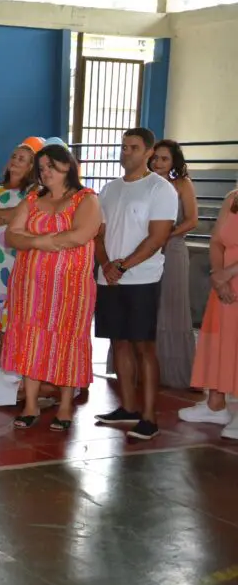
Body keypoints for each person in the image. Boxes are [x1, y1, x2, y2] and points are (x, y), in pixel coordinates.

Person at [1, 142, 101, 430]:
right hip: (30, 288)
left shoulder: (86, 199)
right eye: (41, 168)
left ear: (67, 166)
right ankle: (31, 405)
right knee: (31, 341)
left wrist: (35, 241)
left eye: (50, 166)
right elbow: (12, 236)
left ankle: (66, 406)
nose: (45, 172)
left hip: (70, 288)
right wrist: (43, 242)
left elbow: (81, 235)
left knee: (66, 340)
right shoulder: (32, 199)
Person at [93, 128, 177, 440]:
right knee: (119, 342)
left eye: (133, 147)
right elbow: (98, 233)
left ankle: (149, 417)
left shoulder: (160, 189)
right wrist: (105, 264)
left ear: (148, 152)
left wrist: (123, 265)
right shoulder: (110, 189)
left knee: (144, 346)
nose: (125, 152)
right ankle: (127, 409)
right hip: (109, 278)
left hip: (141, 279)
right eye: (123, 146)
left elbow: (157, 237)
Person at [181, 189, 238, 435]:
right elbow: (216, 240)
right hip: (224, 283)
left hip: (231, 276)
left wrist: (230, 272)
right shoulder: (233, 197)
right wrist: (218, 275)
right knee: (220, 342)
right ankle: (216, 405)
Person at [0, 138, 40, 338]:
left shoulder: (34, 191)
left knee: (18, 302)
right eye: (14, 156)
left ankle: (19, 359)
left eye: (22, 159)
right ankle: (5, 360)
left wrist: (0, 215)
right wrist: (8, 215)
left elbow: (23, 214)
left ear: (31, 166)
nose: (15, 161)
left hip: (18, 254)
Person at [149, 140, 198, 388]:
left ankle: (176, 373)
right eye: (155, 157)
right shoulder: (145, 184)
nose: (158, 162)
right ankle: (145, 372)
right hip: (145, 252)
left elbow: (192, 220)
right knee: (149, 309)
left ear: (173, 162)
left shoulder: (181, 184)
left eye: (164, 159)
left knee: (173, 306)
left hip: (173, 250)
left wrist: (166, 236)